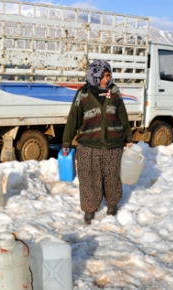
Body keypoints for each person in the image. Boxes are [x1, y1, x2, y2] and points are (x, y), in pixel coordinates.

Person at [62, 59, 133, 225]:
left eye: (109, 75)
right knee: (89, 179)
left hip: (113, 145)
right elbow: (73, 119)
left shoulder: (114, 92)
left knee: (112, 177)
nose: (107, 79)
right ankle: (89, 208)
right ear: (94, 76)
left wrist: (128, 137)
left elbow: (122, 115)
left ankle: (112, 204)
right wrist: (66, 142)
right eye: (103, 76)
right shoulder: (83, 94)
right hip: (88, 145)